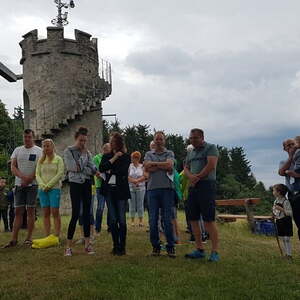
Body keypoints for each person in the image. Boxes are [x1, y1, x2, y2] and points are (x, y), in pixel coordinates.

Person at [63, 127, 100, 256]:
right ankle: (68, 246)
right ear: (76, 139)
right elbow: (73, 167)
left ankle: (87, 244)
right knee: (75, 215)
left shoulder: (88, 153)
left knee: (87, 214)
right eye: (80, 141)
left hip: (86, 184)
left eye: (85, 141)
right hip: (75, 184)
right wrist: (87, 167)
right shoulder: (68, 151)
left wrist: (91, 170)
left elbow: (93, 168)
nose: (83, 143)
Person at [184, 128, 219, 261]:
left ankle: (215, 251)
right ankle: (199, 249)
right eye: (191, 138)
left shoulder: (211, 148)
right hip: (193, 187)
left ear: (202, 137)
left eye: (195, 138)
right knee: (192, 218)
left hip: (206, 186)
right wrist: (191, 177)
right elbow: (186, 167)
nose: (192, 140)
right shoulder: (191, 152)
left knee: (208, 219)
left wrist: (196, 177)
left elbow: (211, 165)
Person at [4, 129, 42, 248]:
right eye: (25, 137)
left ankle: (29, 238)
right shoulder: (17, 150)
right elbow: (13, 166)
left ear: (33, 138)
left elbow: (40, 167)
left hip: (33, 185)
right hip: (19, 185)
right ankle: (14, 239)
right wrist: (23, 178)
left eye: (29, 137)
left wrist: (30, 178)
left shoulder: (39, 151)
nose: (27, 139)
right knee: (18, 211)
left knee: (31, 211)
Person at [144, 131, 176, 258]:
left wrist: (154, 165)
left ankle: (170, 247)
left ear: (164, 140)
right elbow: (147, 167)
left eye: (161, 139)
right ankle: (156, 247)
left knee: (167, 220)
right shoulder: (148, 154)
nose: (158, 141)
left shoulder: (170, 153)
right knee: (152, 220)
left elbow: (170, 165)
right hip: (152, 190)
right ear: (154, 140)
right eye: (156, 139)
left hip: (167, 189)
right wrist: (163, 165)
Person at [99, 132, 131, 256]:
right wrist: (114, 158)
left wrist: (110, 169)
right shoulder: (106, 156)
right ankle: (115, 246)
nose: (111, 143)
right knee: (112, 220)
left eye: (113, 141)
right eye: (110, 141)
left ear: (119, 142)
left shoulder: (126, 156)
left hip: (121, 191)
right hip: (109, 191)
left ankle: (122, 247)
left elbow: (122, 171)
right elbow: (101, 168)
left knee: (122, 220)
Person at [35, 139, 64, 237]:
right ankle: (47, 235)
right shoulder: (41, 160)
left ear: (52, 147)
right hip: (42, 190)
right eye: (44, 146)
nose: (46, 148)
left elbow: (60, 173)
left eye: (48, 146)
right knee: (46, 212)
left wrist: (49, 185)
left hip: (54, 189)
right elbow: (37, 174)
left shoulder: (58, 159)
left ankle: (57, 235)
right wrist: (42, 185)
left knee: (55, 212)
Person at [278, 138, 300, 241]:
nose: (291, 147)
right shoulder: (284, 162)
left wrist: (297, 175)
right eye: (289, 146)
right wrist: (291, 156)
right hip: (293, 196)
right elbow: (281, 172)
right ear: (285, 149)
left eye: (293, 144)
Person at [93, 143, 111, 234]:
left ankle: (110, 227)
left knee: (110, 206)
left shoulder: (111, 158)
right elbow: (96, 171)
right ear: (104, 150)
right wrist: (105, 176)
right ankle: (97, 228)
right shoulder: (96, 158)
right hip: (100, 185)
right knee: (100, 207)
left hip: (109, 185)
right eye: (108, 150)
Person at [272, 184, 293, 259]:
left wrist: (282, 209)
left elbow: (290, 213)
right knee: (283, 238)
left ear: (279, 192)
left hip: (286, 221)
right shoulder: (276, 201)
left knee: (287, 238)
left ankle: (289, 255)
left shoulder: (286, 201)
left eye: (274, 190)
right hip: (279, 221)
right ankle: (286, 254)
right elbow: (274, 210)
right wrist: (273, 215)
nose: (273, 192)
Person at [128, 151, 146, 227]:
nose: (131, 159)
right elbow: (127, 176)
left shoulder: (142, 166)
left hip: (141, 188)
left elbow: (145, 176)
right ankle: (132, 220)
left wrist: (138, 181)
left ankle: (141, 221)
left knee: (140, 204)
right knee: (132, 204)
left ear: (137, 158)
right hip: (131, 187)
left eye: (132, 158)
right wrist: (134, 181)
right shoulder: (129, 166)